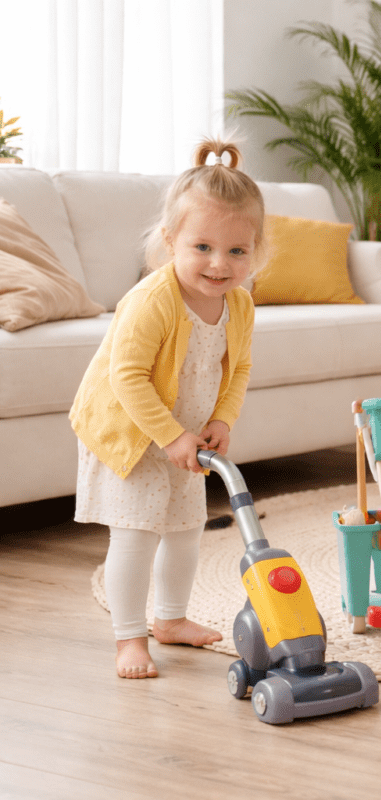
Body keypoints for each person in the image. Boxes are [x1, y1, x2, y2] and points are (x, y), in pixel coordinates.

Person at [70, 138, 262, 678]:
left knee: (184, 530)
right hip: (132, 437)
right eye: (202, 247)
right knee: (136, 535)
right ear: (169, 239)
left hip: (185, 437)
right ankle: (129, 638)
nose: (219, 264)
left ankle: (171, 619)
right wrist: (170, 436)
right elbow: (126, 376)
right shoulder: (153, 301)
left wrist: (221, 419)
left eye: (237, 251)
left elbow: (238, 368)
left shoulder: (240, 305)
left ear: (256, 249)